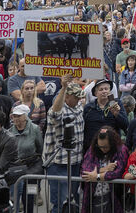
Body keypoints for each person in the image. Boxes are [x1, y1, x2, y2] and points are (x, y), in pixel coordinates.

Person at [43, 78, 87, 213]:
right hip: (58, 163)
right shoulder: (59, 108)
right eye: (76, 97)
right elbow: (55, 113)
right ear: (67, 96)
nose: (79, 100)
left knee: (73, 201)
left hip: (75, 162)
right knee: (60, 202)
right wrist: (63, 88)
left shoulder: (78, 107)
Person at [79, 125, 128, 213]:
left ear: (112, 143)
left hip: (114, 195)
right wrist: (104, 169)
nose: (103, 149)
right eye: (100, 146)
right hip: (93, 195)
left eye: (106, 147)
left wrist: (96, 176)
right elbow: (84, 171)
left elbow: (117, 172)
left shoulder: (121, 150)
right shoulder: (93, 148)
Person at [83, 78, 127, 151]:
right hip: (93, 148)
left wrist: (117, 114)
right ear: (95, 93)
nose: (104, 91)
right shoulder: (88, 108)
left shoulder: (117, 104)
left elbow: (125, 125)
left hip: (112, 147)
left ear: (110, 91)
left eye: (106, 89)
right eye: (101, 89)